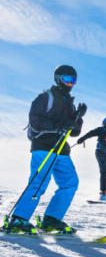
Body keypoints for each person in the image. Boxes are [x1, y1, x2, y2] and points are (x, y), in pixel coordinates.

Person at [5, 65, 87, 234]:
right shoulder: (45, 97)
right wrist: (58, 126)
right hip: (44, 146)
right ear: (58, 79)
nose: (70, 84)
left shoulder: (70, 104)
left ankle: (52, 220)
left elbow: (75, 132)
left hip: (61, 150)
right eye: (67, 79)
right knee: (40, 181)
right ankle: (18, 220)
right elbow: (35, 120)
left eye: (73, 80)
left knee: (70, 183)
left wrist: (78, 117)